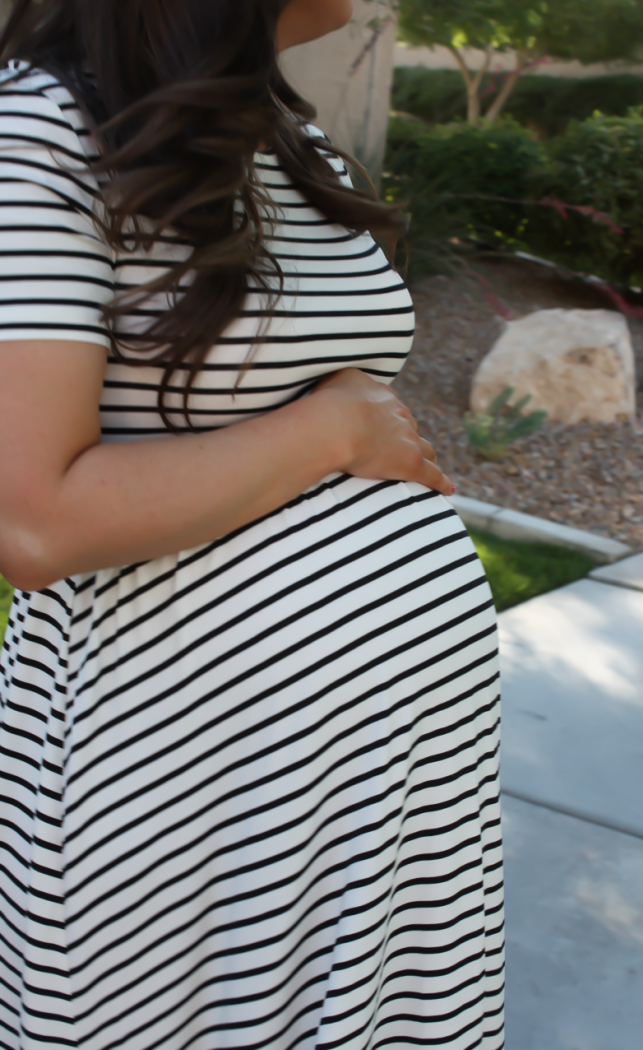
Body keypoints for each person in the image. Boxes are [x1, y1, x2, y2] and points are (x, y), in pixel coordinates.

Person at [0, 0, 505, 1046]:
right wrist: (332, 430)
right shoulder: (41, 129)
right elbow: (30, 520)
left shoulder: (273, 128)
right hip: (192, 770)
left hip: (379, 767)